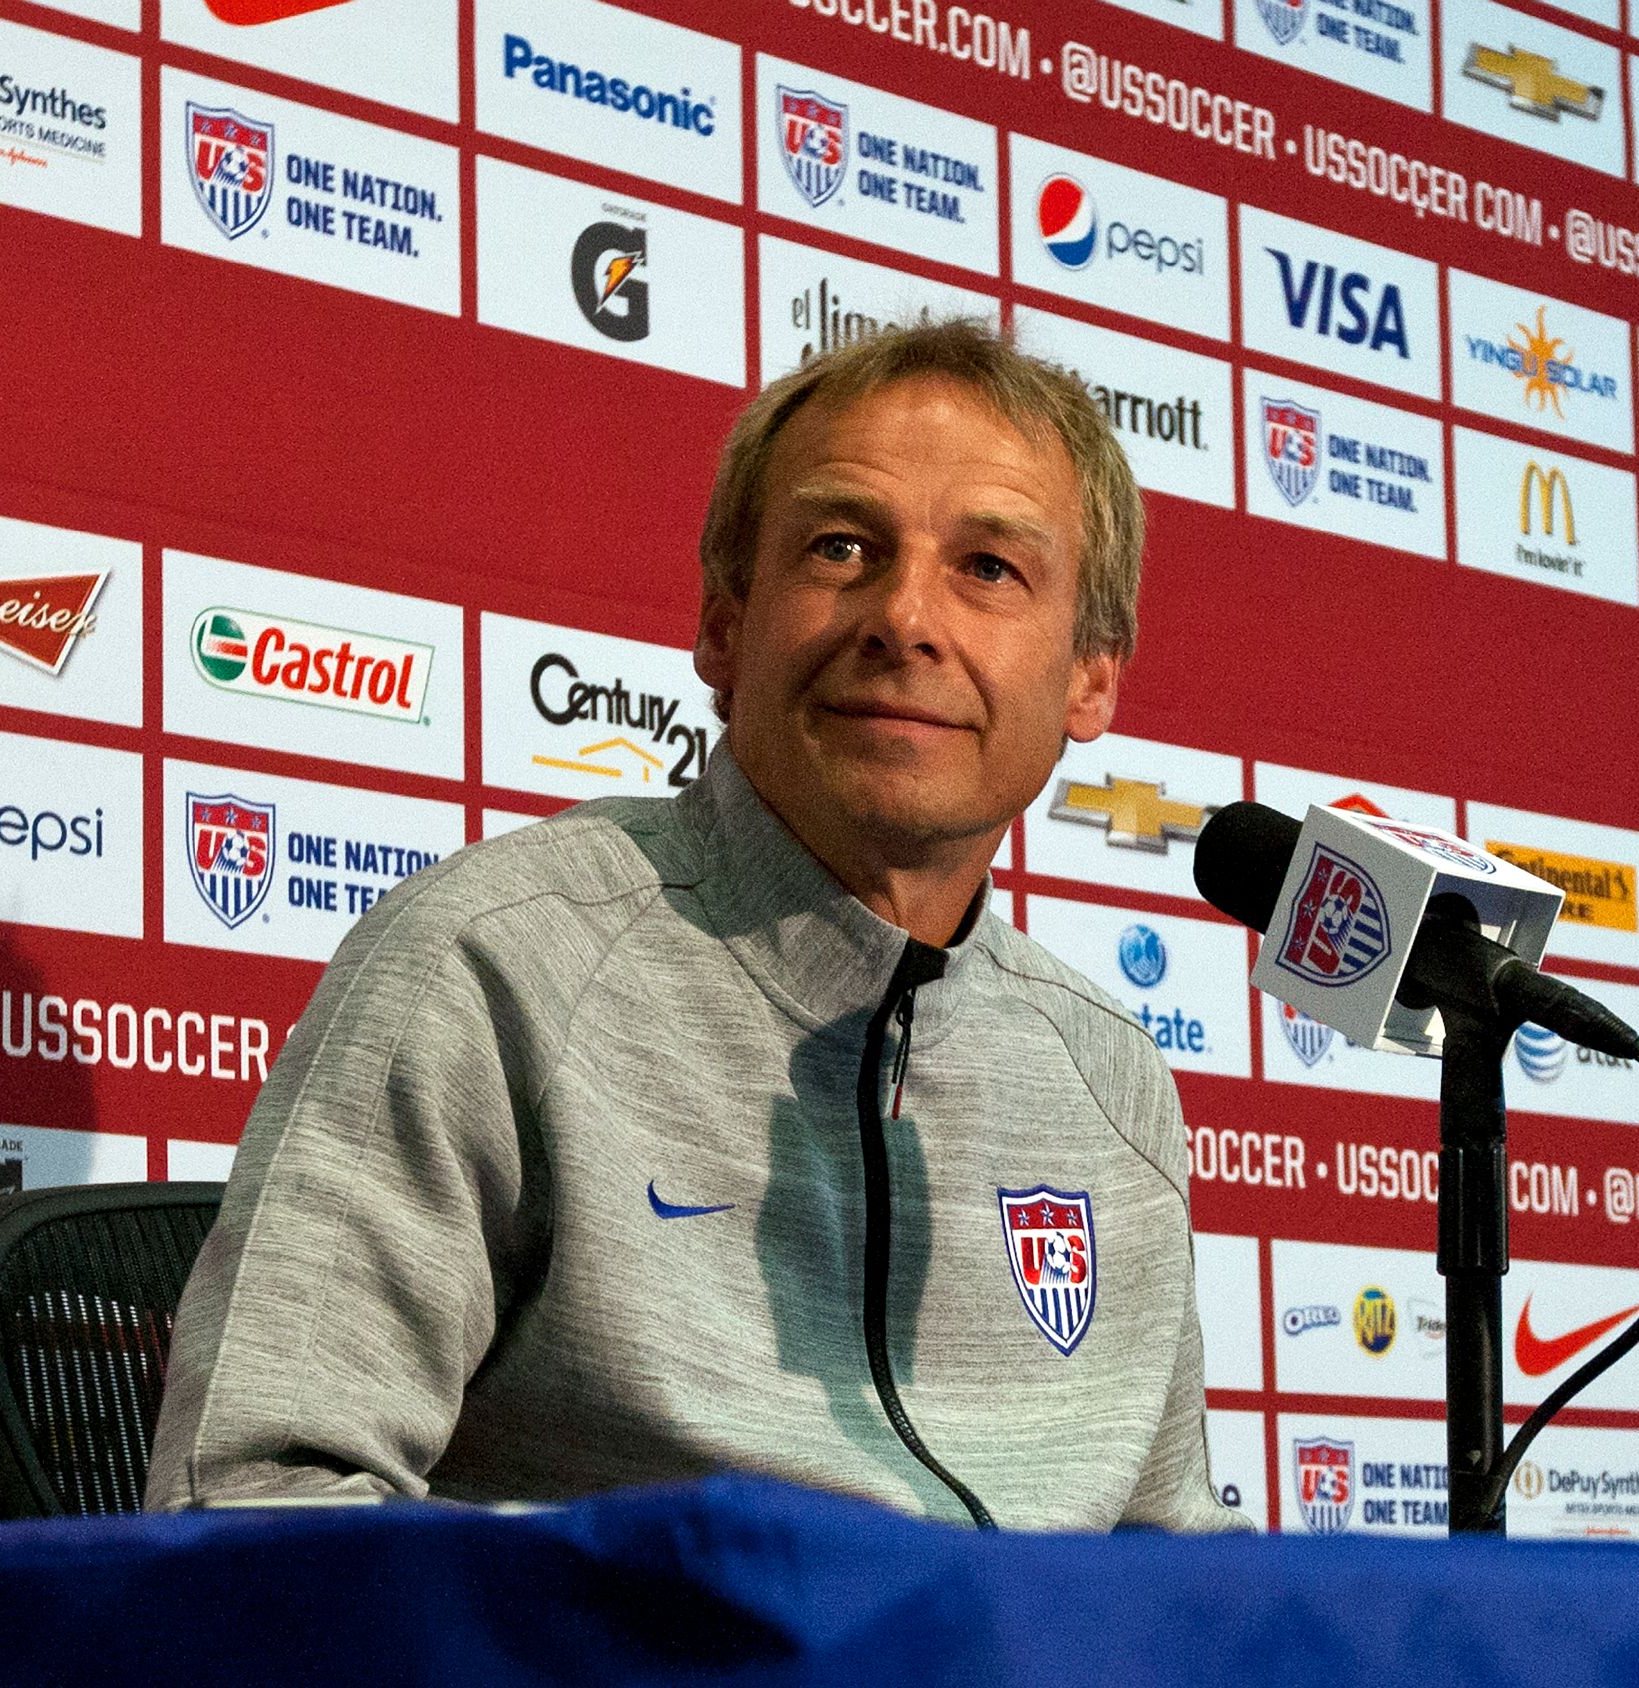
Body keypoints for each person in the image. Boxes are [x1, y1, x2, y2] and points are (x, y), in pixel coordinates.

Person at [145, 319, 1244, 1531]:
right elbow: (259, 1508)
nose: (904, 618)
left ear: (1091, 675)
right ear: (723, 627)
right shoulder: (493, 963)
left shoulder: (1110, 1077)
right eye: (842, 547)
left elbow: (1174, 1582)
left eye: (989, 568)